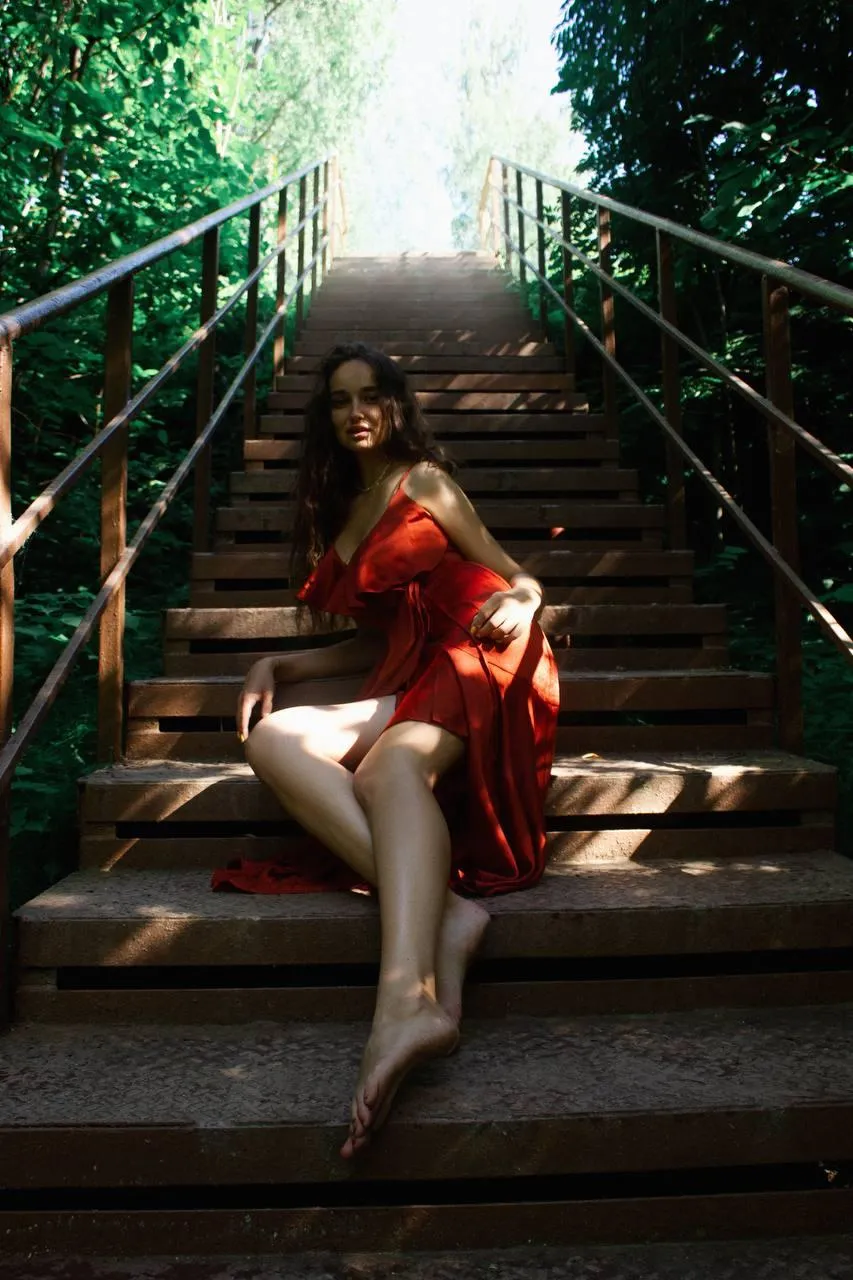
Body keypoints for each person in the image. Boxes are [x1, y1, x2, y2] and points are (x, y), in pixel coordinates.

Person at [211, 342, 560, 1159]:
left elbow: (520, 578)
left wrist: (521, 603)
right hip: (416, 672)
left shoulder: (425, 482)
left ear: (396, 403)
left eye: (370, 395)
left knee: (389, 765)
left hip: (485, 650)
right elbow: (375, 642)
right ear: (325, 416)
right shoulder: (349, 506)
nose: (355, 410)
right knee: (275, 737)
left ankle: (404, 1003)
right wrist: (277, 663)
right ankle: (446, 912)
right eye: (338, 399)